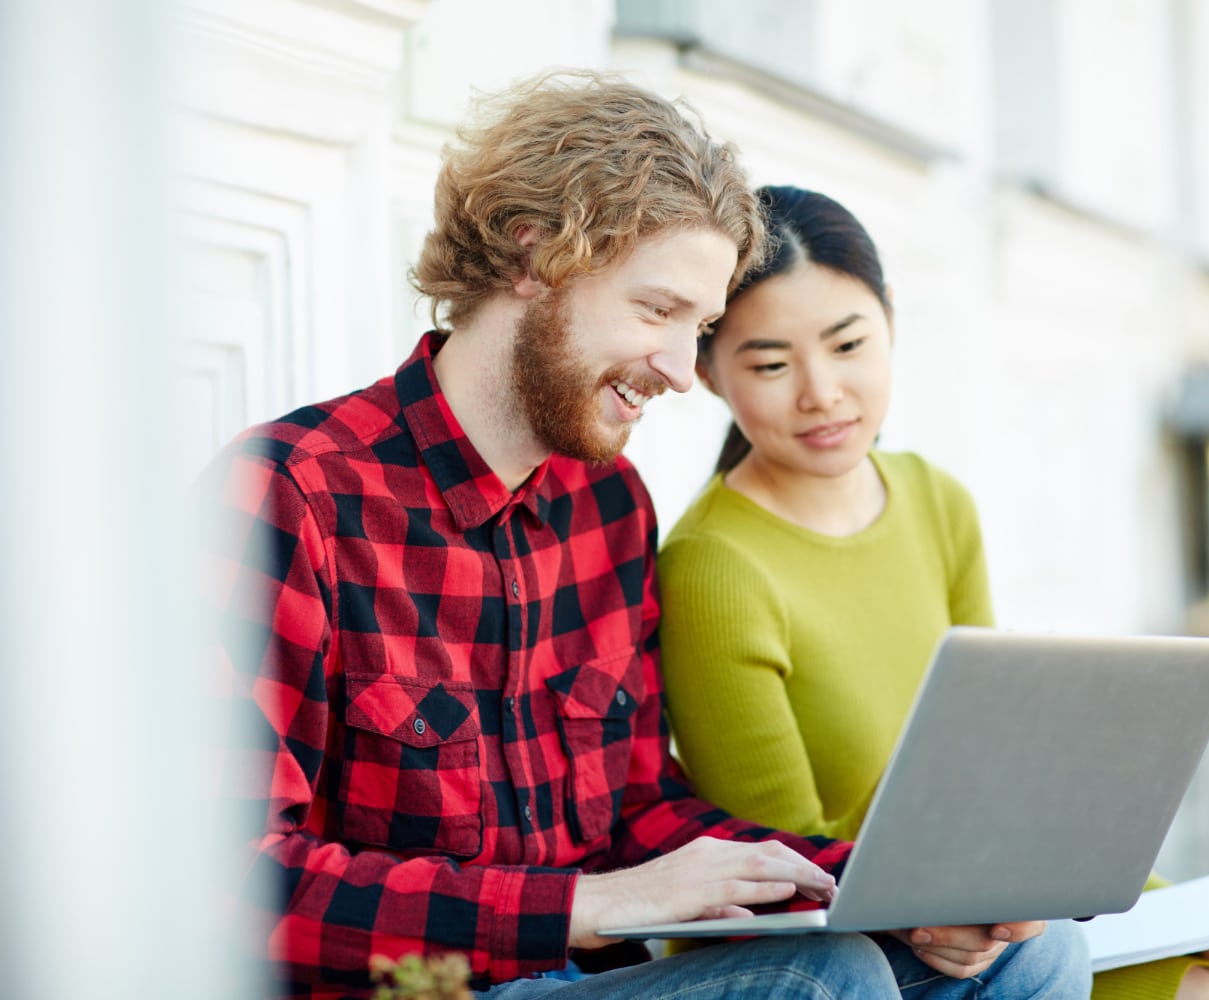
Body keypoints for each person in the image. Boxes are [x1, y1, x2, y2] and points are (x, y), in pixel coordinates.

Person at [195, 72, 1091, 999]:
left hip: (592, 980)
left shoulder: (609, 503)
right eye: (656, 312)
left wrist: (895, 887)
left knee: (1036, 951)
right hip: (426, 988)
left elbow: (634, 807)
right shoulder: (290, 493)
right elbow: (223, 877)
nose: (678, 369)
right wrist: (583, 905)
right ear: (530, 255)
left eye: (698, 327)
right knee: (817, 981)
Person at [657, 184, 1209, 1000]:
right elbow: (783, 862)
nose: (821, 392)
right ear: (707, 371)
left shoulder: (934, 500)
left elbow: (993, 756)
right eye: (771, 364)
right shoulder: (714, 566)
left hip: (978, 897)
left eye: (849, 345)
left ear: (891, 325)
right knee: (1197, 992)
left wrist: (1144, 900)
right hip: (842, 941)